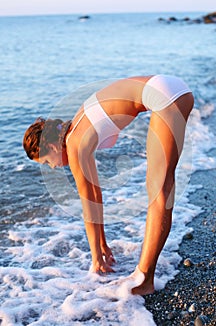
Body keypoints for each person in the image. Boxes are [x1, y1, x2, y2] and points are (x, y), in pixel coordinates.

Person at [23, 74, 194, 295]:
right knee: (158, 187)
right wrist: (102, 244)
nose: (53, 167)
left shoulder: (74, 143)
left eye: (47, 162)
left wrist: (96, 259)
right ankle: (144, 275)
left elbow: (88, 204)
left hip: (166, 97)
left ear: (52, 147)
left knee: (159, 191)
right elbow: (95, 195)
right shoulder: (76, 129)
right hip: (169, 88)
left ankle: (145, 280)